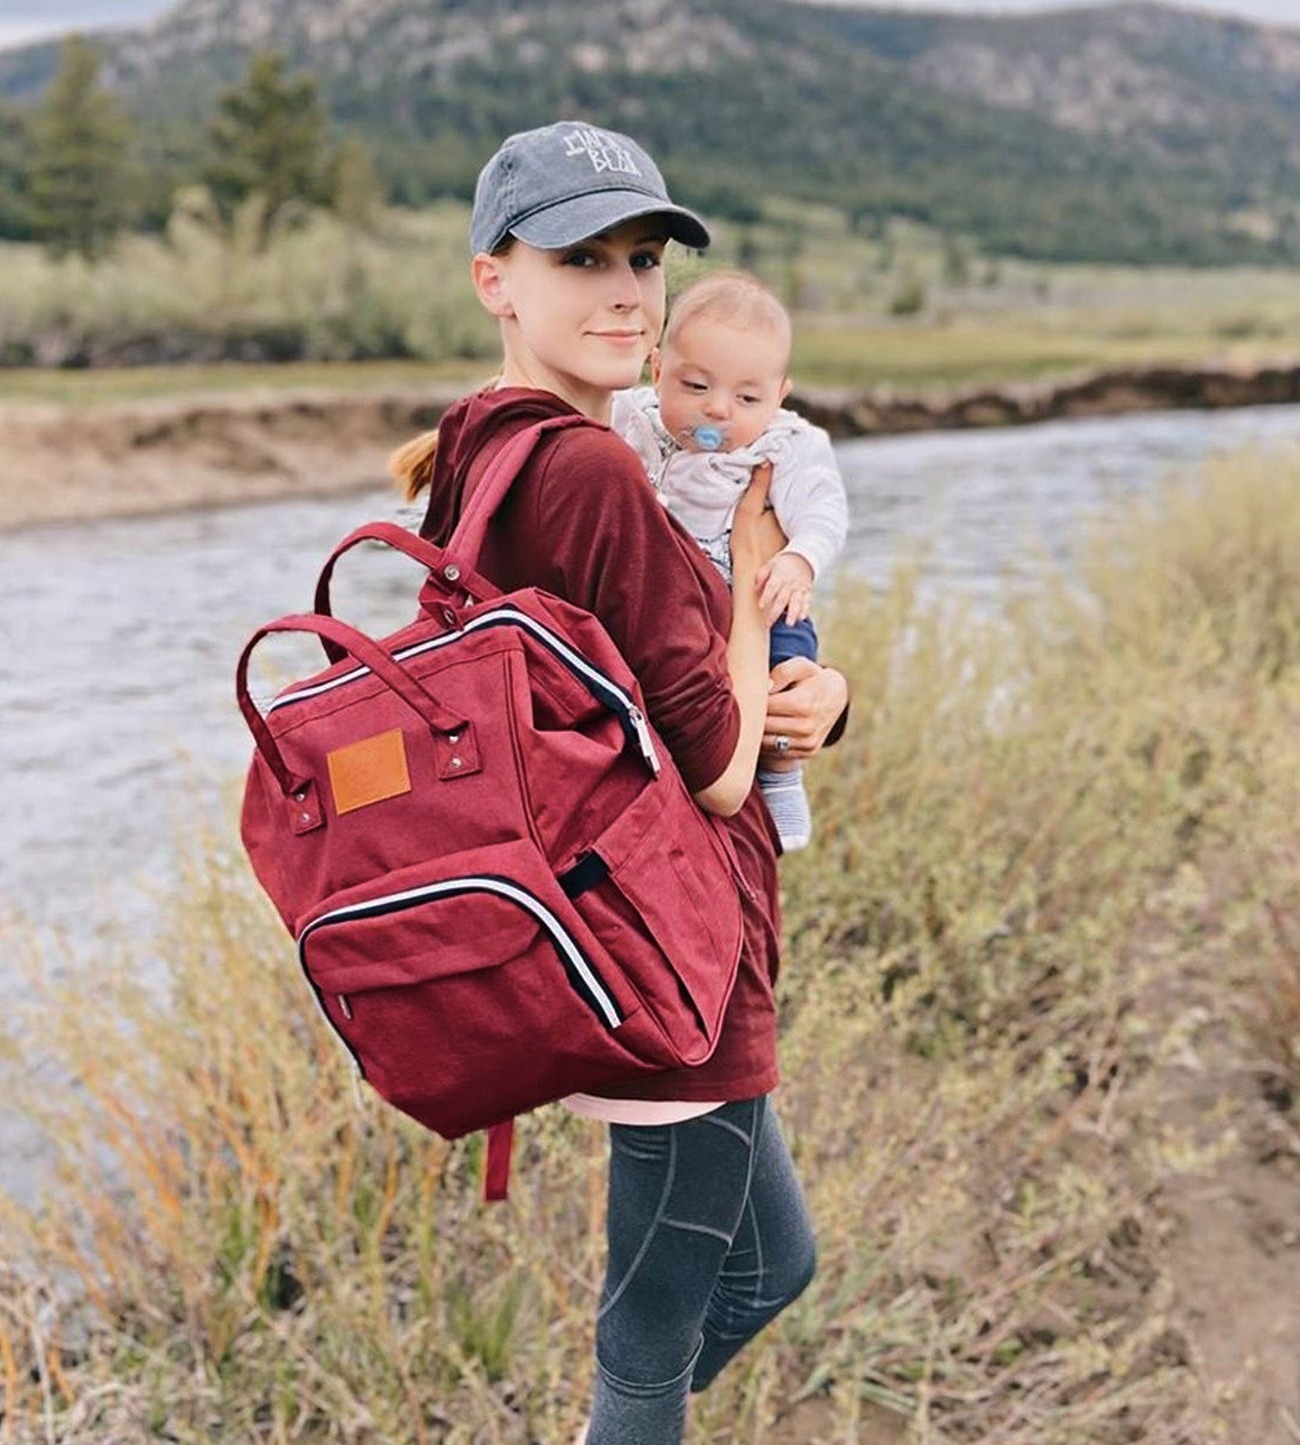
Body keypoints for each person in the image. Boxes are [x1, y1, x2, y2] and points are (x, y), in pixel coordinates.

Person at [389, 120, 850, 1445]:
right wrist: (759, 570)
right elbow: (714, 760)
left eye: (642, 258)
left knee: (771, 1266)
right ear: (496, 279)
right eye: (581, 257)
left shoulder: (485, 437)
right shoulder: (590, 467)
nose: (624, 293)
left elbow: (634, 693)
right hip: (668, 951)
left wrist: (819, 701)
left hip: (617, 930)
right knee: (645, 1354)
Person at [612, 271, 849, 852]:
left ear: (779, 396)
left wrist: (799, 560)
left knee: (786, 661)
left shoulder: (784, 446)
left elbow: (824, 511)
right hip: (686, 594)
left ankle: (780, 772)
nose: (717, 410)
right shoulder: (633, 422)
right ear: (658, 369)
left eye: (747, 398)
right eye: (695, 386)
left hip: (763, 593)